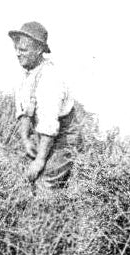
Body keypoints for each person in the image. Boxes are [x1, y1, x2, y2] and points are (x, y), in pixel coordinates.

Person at [9, 21, 80, 189]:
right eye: (17, 49)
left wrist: (40, 160)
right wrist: (26, 139)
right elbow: (25, 112)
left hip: (63, 138)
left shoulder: (50, 78)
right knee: (18, 170)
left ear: (39, 50)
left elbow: (49, 124)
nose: (18, 54)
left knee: (44, 183)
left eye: (23, 50)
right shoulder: (25, 75)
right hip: (42, 135)